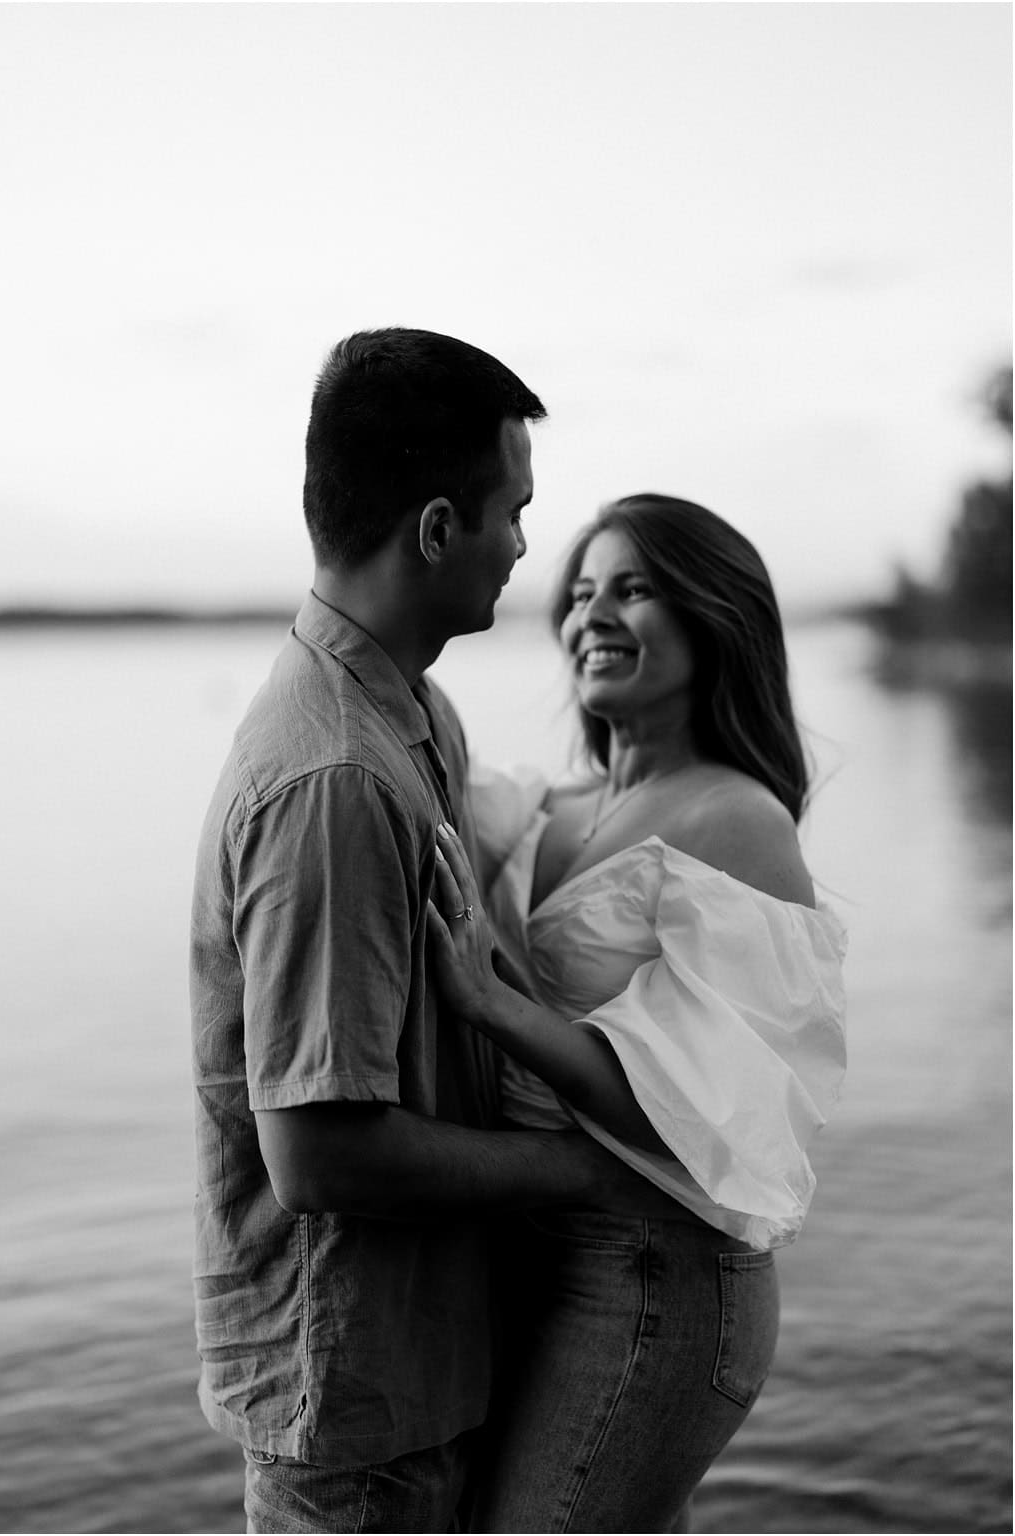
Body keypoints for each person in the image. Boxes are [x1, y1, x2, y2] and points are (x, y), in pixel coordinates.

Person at [189, 328, 681, 1533]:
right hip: (357, 1415)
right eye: (510, 511)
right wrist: (591, 1171)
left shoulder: (412, 712)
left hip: (429, 1370)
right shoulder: (335, 778)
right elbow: (316, 1155)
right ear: (433, 529)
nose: (525, 545)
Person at [424, 494, 847, 1531]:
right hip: (534, 1247)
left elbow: (694, 1111)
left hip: (660, 1274)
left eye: (634, 588)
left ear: (713, 618)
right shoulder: (543, 807)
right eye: (577, 595)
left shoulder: (733, 818)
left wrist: (489, 1003)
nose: (592, 617)